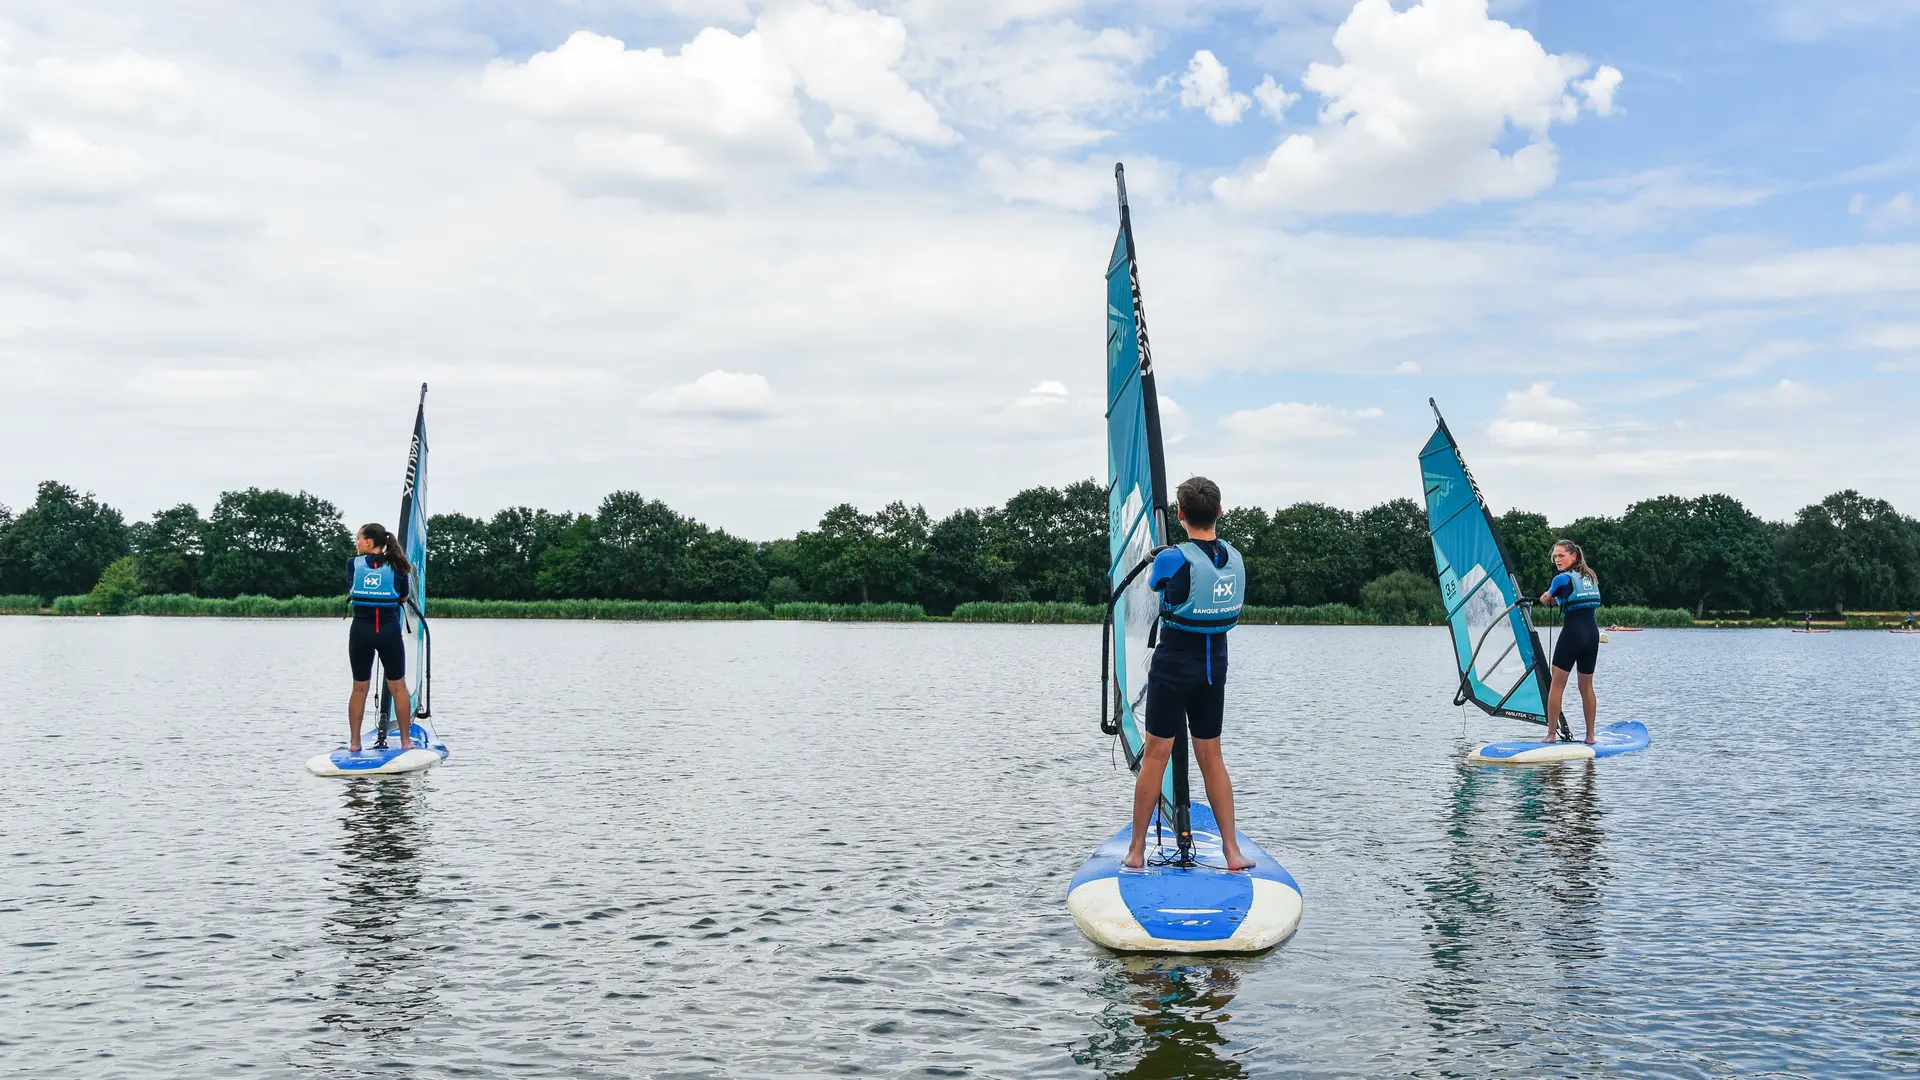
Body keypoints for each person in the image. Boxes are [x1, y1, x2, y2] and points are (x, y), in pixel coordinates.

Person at [1123, 477, 1254, 872]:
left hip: (1175, 665)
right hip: (1215, 668)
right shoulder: (1235, 556)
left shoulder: (1170, 558)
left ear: (1179, 515)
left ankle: (1135, 851)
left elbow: (1154, 583)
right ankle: (1232, 852)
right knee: (1212, 756)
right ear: (1219, 512)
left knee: (1156, 756)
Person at [347, 523, 414, 752]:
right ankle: (406, 743)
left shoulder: (352, 565)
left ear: (369, 542)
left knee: (359, 689)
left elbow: (352, 587)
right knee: (398, 688)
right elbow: (404, 597)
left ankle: (355, 744)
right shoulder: (397, 565)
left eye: (358, 539)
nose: (356, 543)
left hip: (361, 632)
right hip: (388, 632)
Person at [1538, 540, 1602, 744]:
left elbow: (1549, 597)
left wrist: (1545, 598)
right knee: (1586, 687)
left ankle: (1550, 735)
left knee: (1556, 686)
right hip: (1592, 636)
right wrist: (1558, 600)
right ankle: (1591, 736)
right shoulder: (1590, 576)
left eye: (1561, 555)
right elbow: (1570, 598)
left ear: (1573, 556)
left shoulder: (1561, 578)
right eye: (1555, 556)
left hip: (1573, 634)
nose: (1557, 560)